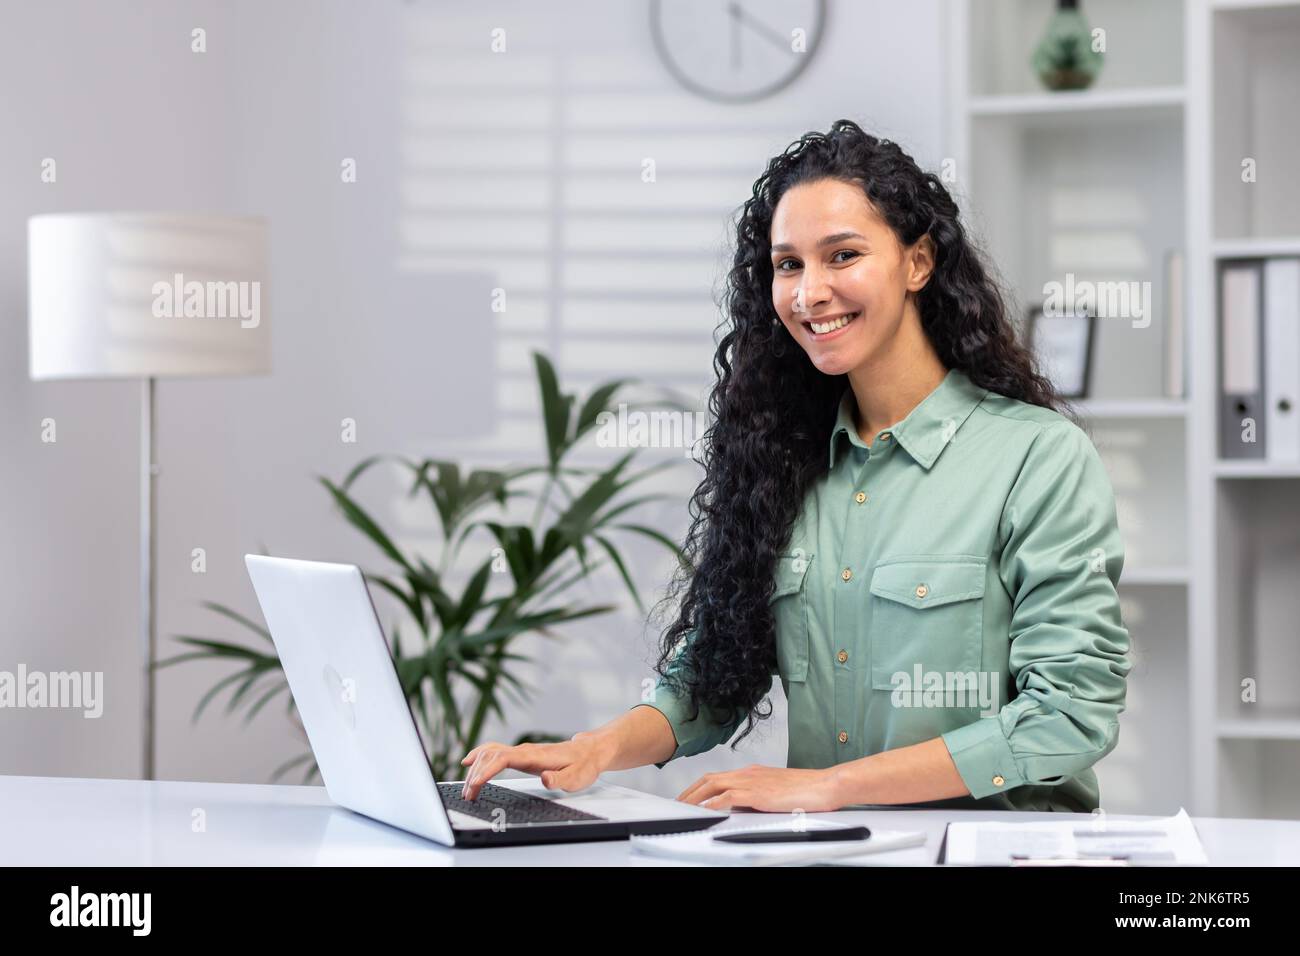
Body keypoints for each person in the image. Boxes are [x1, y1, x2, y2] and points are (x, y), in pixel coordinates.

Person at [459, 119, 1131, 814]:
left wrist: (829, 787)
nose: (810, 293)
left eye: (842, 256)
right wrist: (598, 748)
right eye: (789, 265)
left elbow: (1069, 715)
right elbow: (719, 672)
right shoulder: (782, 461)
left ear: (918, 262)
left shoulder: (1036, 457)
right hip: (830, 852)